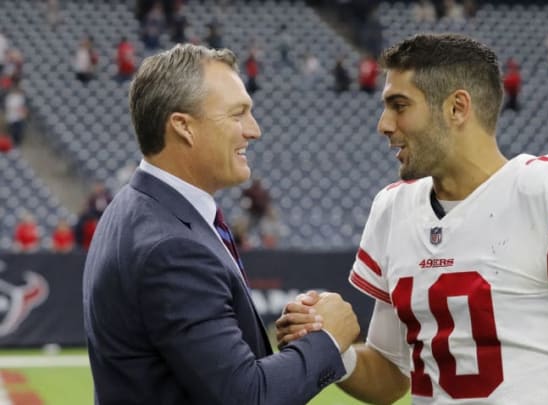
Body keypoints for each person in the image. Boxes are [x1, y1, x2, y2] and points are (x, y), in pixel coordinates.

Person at [278, 34, 548, 404]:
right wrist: (332, 346)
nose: (384, 124)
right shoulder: (393, 208)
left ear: (457, 108)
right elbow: (390, 376)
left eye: (399, 105)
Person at [83, 43, 359, 404]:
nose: (254, 130)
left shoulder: (140, 209)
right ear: (184, 127)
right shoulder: (172, 247)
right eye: (237, 114)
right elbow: (247, 397)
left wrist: (294, 347)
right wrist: (329, 341)